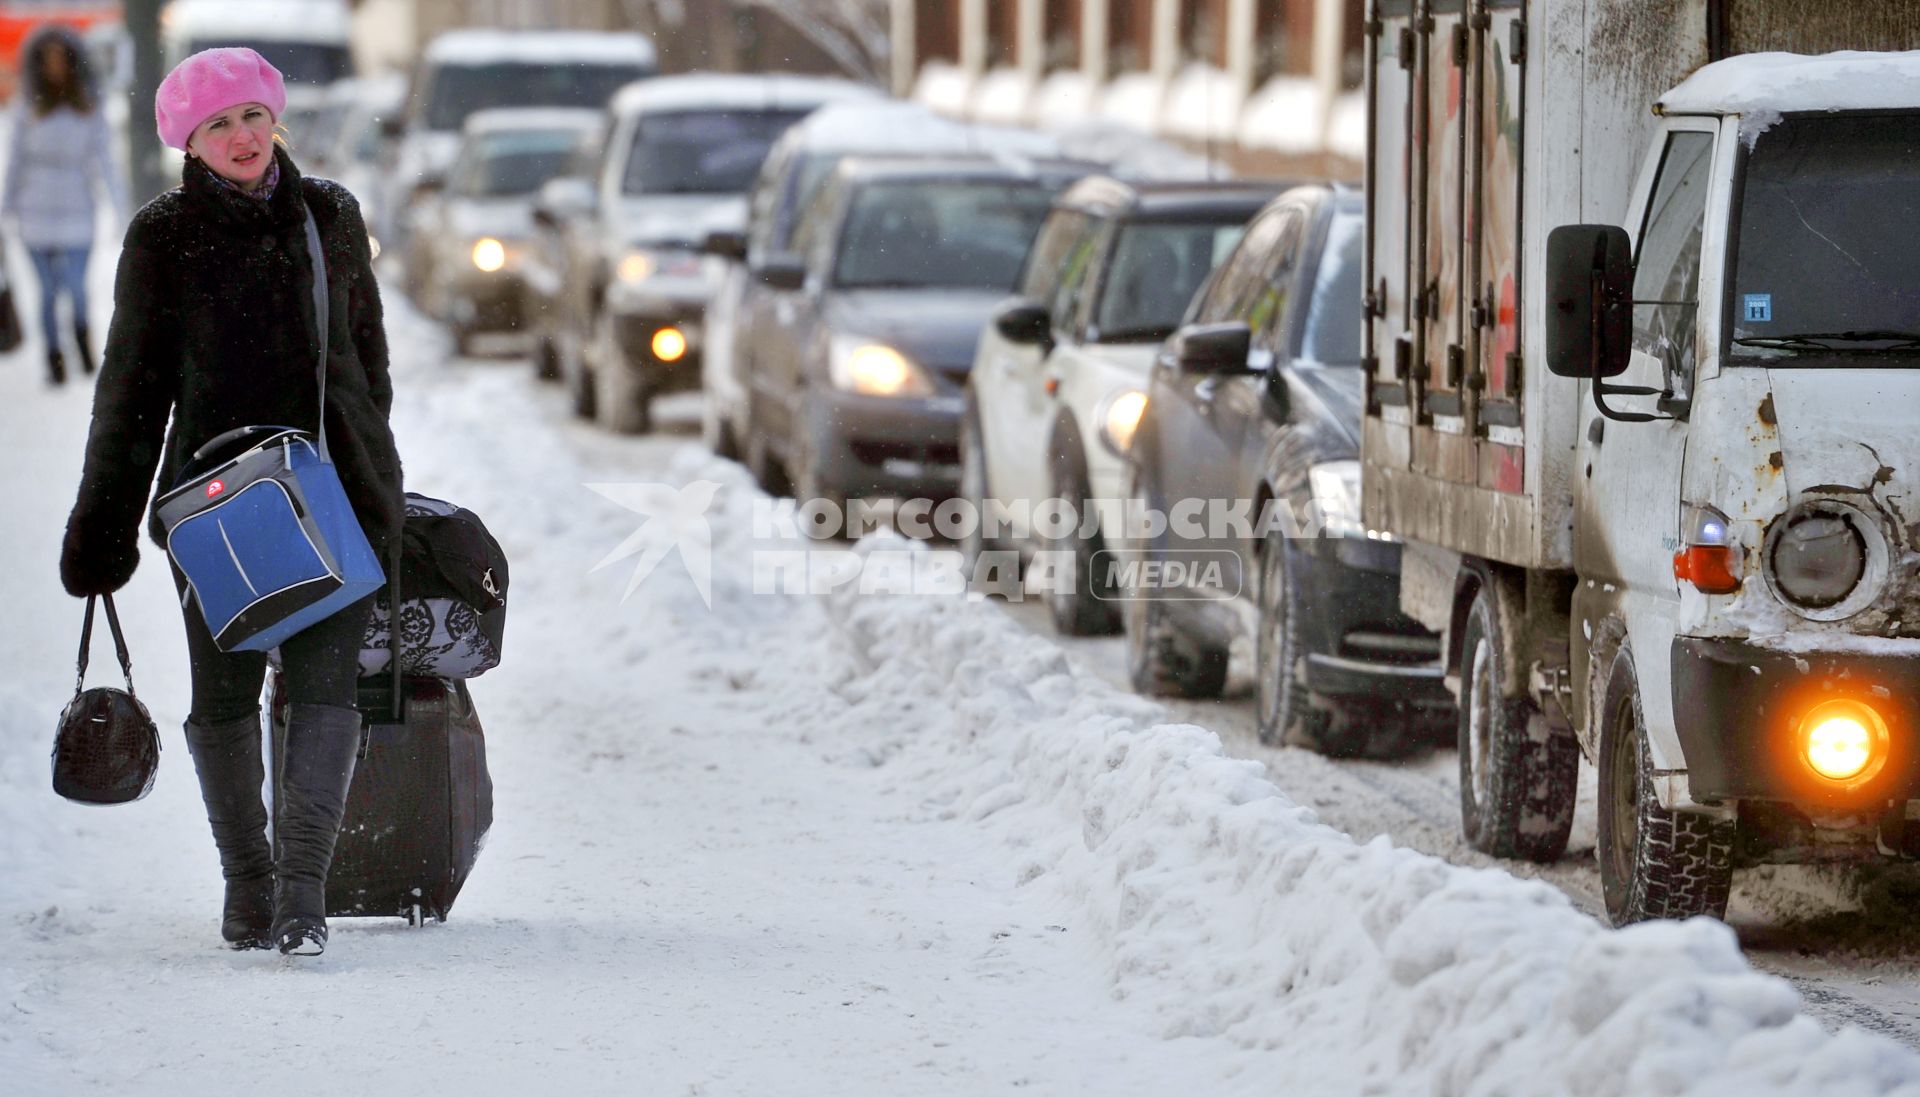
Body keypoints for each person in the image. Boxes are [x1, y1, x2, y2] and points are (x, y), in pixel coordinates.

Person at [57, 48, 403, 957]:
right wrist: (102, 528)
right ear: (189, 140)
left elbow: (368, 361)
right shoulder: (163, 235)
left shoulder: (330, 214)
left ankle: (302, 894)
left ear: (274, 118)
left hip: (326, 495)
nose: (241, 137)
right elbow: (130, 391)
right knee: (224, 695)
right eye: (217, 124)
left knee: (329, 689)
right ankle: (246, 885)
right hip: (214, 511)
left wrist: (374, 474)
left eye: (251, 116)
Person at [1, 24, 124, 384]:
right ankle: (54, 356)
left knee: (76, 287)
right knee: (47, 292)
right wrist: (6, 207)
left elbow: (106, 161)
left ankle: (83, 344)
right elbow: (15, 161)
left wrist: (119, 208)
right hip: (34, 210)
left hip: (77, 207)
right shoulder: (28, 108)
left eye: (60, 58)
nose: (55, 66)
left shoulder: (88, 105)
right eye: (48, 59)